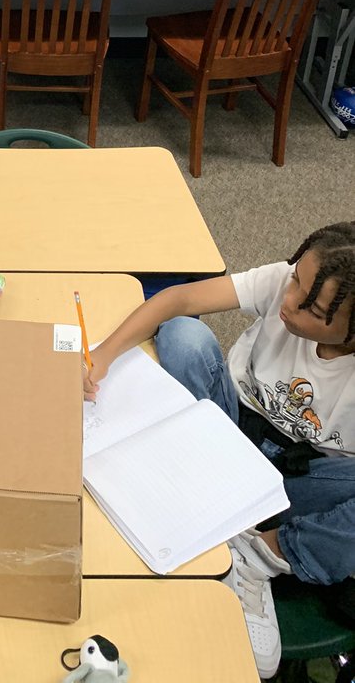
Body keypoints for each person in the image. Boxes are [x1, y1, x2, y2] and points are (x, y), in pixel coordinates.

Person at [85, 222, 355, 679]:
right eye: (295, 281)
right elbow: (177, 301)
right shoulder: (286, 284)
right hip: (230, 431)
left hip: (296, 481)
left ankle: (261, 555)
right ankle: (217, 507)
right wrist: (101, 356)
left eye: (313, 308)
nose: (290, 302)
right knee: (183, 336)